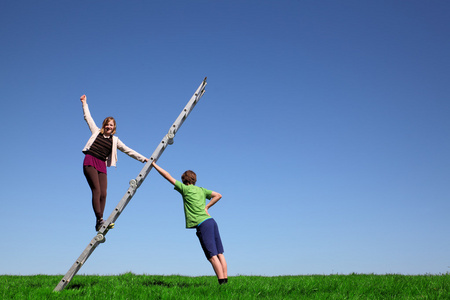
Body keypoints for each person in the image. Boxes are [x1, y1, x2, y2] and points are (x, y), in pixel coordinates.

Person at [151, 161, 228, 285]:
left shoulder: (185, 189)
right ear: (194, 180)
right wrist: (206, 207)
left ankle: (222, 284)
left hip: (203, 224)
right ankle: (225, 283)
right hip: (212, 222)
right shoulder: (201, 190)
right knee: (220, 254)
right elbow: (218, 195)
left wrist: (154, 164)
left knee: (212, 256)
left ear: (183, 180)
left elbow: (167, 176)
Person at [80, 94, 148, 231]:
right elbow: (88, 118)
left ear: (114, 127)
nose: (109, 126)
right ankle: (100, 219)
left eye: (111, 125)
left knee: (104, 193)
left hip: (101, 165)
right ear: (103, 125)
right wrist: (84, 103)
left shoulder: (115, 140)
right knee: (96, 190)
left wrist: (144, 159)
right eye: (107, 124)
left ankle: (99, 221)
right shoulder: (96, 132)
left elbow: (128, 150)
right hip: (90, 161)